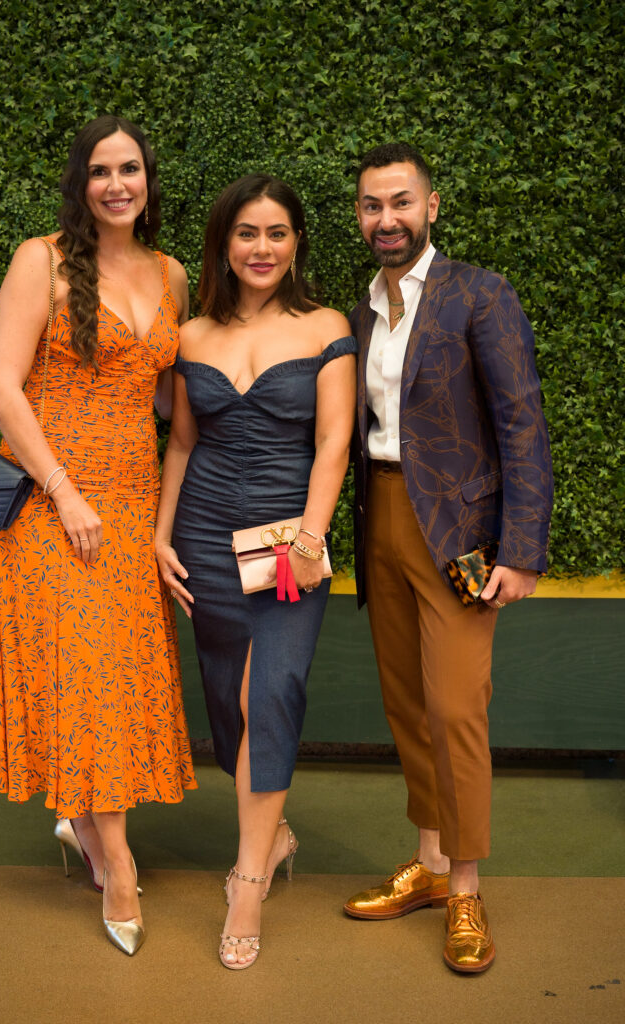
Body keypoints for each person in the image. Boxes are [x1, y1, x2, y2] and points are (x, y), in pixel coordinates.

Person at [0, 115, 197, 957]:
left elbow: (169, 398)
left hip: (134, 501)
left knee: (111, 679)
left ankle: (83, 821)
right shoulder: (40, 259)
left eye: (132, 169)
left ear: (149, 179)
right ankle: (119, 869)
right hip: (53, 508)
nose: (118, 183)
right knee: (94, 682)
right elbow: (4, 388)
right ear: (81, 182)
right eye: (102, 170)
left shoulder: (174, 271)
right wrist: (65, 492)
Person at [343, 143, 553, 973]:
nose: (385, 219)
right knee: (406, 705)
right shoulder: (360, 309)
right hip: (381, 518)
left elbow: (523, 428)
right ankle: (429, 866)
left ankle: (465, 889)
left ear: (432, 207)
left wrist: (523, 550)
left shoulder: (480, 295)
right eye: (370, 205)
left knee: (458, 708)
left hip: (460, 536)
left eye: (400, 202)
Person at [155, 174, 356, 970]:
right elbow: (180, 443)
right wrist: (159, 536)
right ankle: (270, 835)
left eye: (276, 232)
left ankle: (245, 879)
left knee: (269, 690)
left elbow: (334, 442)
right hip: (202, 533)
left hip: (284, 544)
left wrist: (311, 539)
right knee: (226, 705)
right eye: (247, 233)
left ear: (297, 241)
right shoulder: (193, 334)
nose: (262, 247)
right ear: (224, 243)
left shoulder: (325, 326)